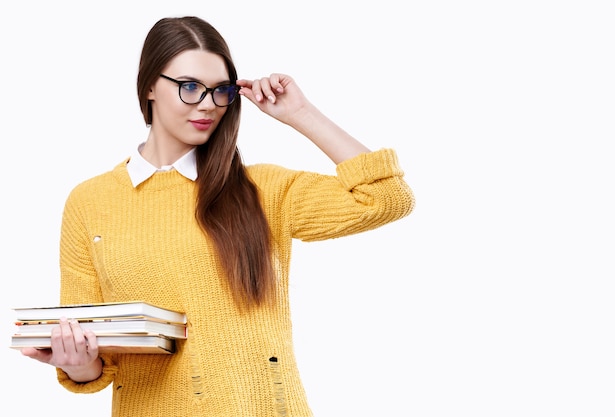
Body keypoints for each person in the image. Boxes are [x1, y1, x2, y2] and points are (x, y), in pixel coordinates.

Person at [21, 15, 415, 417]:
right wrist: (75, 360)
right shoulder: (90, 201)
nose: (209, 104)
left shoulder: (262, 190)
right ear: (150, 87)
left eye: (221, 90)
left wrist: (301, 113)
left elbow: (386, 198)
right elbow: (94, 359)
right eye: (190, 87)